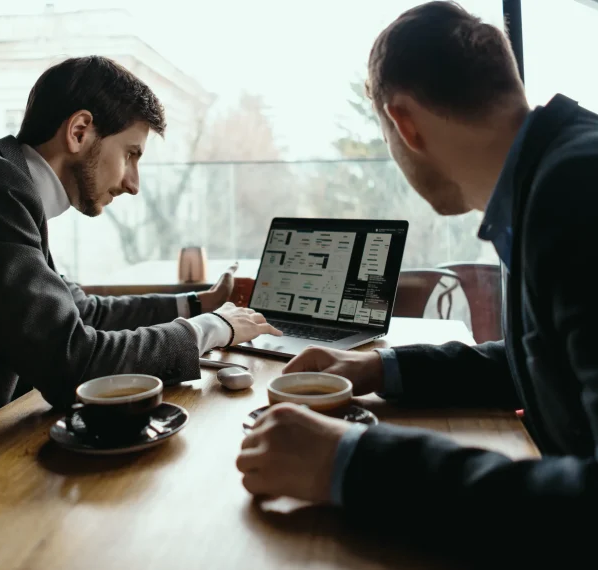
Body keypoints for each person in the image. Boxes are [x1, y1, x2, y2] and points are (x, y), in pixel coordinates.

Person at [0, 55, 281, 510]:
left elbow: (81, 311)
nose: (133, 183)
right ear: (79, 132)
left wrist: (200, 304)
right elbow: (73, 361)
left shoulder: (5, 186)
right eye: (131, 155)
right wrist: (215, 328)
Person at [237, 1, 598, 562]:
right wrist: (378, 367)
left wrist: (351, 464)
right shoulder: (553, 174)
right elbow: (541, 362)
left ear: (403, 123)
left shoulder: (573, 194)